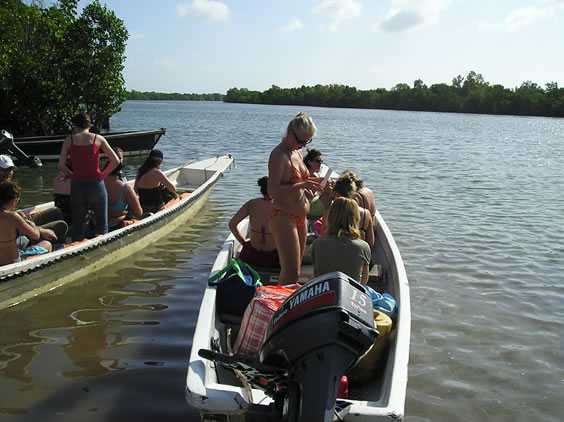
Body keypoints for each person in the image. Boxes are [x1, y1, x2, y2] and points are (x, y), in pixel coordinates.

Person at [268, 112, 323, 285]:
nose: (303, 145)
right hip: (284, 216)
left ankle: (285, 305)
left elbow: (301, 181)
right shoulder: (279, 155)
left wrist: (318, 183)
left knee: (295, 271)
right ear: (290, 133)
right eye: (301, 141)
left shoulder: (297, 152)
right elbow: (272, 190)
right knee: (290, 273)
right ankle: (278, 307)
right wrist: (302, 186)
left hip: (301, 217)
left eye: (307, 142)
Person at [58, 112, 120, 242]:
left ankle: (76, 247)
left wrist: (71, 175)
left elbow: (61, 165)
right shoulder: (98, 138)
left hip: (77, 184)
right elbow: (115, 161)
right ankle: (102, 246)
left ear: (74, 125)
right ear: (89, 124)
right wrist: (102, 175)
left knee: (78, 225)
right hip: (96, 183)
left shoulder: (69, 140)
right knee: (102, 225)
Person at [1, 154, 68, 243]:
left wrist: (20, 215)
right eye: (4, 170)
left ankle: (56, 243)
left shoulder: (6, 186)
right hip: (14, 229)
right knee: (61, 225)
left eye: (10, 169)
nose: (9, 172)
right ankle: (55, 248)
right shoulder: (4, 189)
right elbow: (6, 219)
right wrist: (39, 229)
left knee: (56, 211)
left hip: (17, 222)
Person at [312, 197, 371, 285]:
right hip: (352, 293)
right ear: (355, 218)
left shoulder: (317, 244)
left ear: (331, 217)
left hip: (326, 290)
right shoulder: (363, 246)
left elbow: (316, 274)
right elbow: (363, 281)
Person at [228, 176, 279, 268]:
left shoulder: (251, 204)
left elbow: (232, 224)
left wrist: (244, 243)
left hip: (251, 256)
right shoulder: (281, 205)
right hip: (274, 259)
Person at [0, 180, 52, 265]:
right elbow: (35, 235)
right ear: (14, 200)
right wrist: (32, 224)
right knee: (47, 244)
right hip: (13, 262)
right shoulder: (13, 217)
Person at [319, 175, 374, 247]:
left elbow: (323, 240)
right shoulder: (366, 214)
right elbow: (371, 243)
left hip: (333, 254)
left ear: (337, 194)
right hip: (356, 256)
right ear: (353, 194)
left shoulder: (328, 214)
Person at [134, 149, 177, 214]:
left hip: (143, 206)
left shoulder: (140, 172)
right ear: (160, 161)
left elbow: (135, 190)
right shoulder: (157, 172)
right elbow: (173, 189)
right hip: (156, 207)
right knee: (171, 195)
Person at [104, 162, 143, 230]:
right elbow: (139, 213)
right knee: (147, 214)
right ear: (119, 172)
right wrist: (125, 212)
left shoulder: (98, 185)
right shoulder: (125, 188)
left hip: (98, 224)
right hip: (117, 225)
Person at [303, 148, 333, 220]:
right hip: (311, 207)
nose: (320, 163)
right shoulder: (312, 175)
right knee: (330, 190)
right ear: (309, 162)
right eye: (317, 161)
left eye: (321, 161)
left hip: (311, 203)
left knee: (331, 188)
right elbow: (311, 195)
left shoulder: (309, 173)